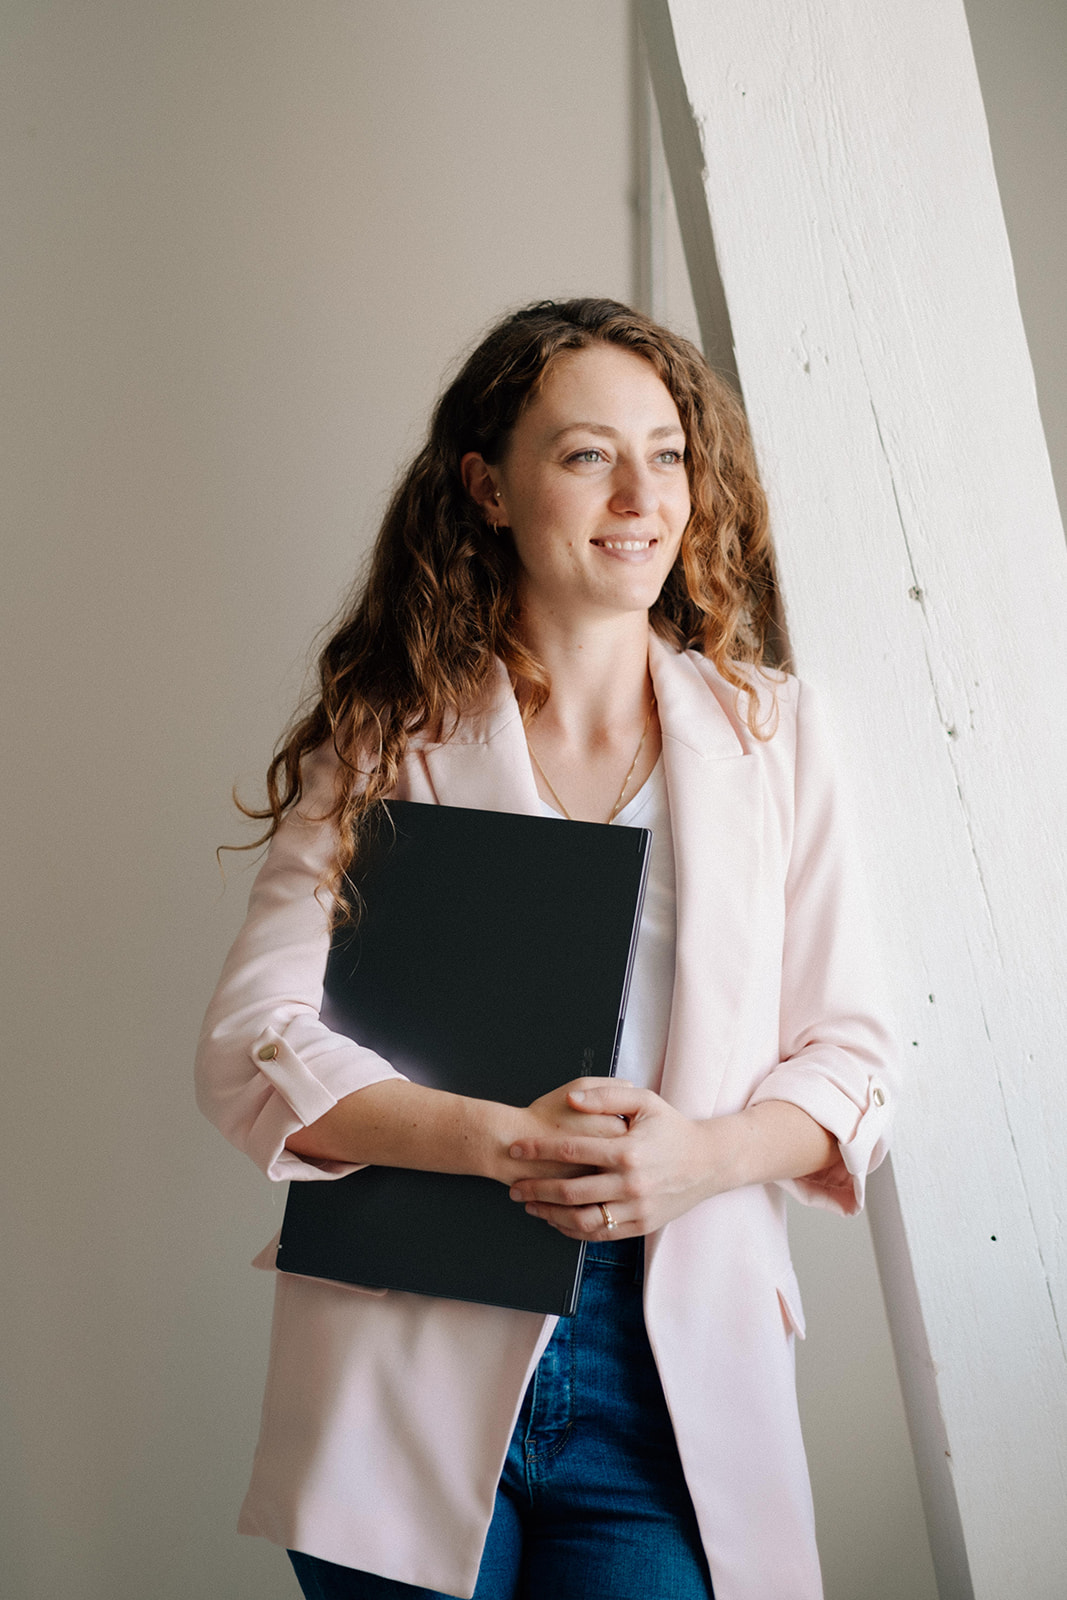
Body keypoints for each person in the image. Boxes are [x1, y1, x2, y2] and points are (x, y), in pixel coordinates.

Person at [195, 297, 897, 1600]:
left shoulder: (777, 735)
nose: (641, 494)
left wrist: (697, 1160)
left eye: (669, 453)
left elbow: (852, 1054)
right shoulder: (385, 739)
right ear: (488, 486)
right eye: (586, 455)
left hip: (670, 1365)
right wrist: (499, 1145)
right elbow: (249, 1048)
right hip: (405, 1343)